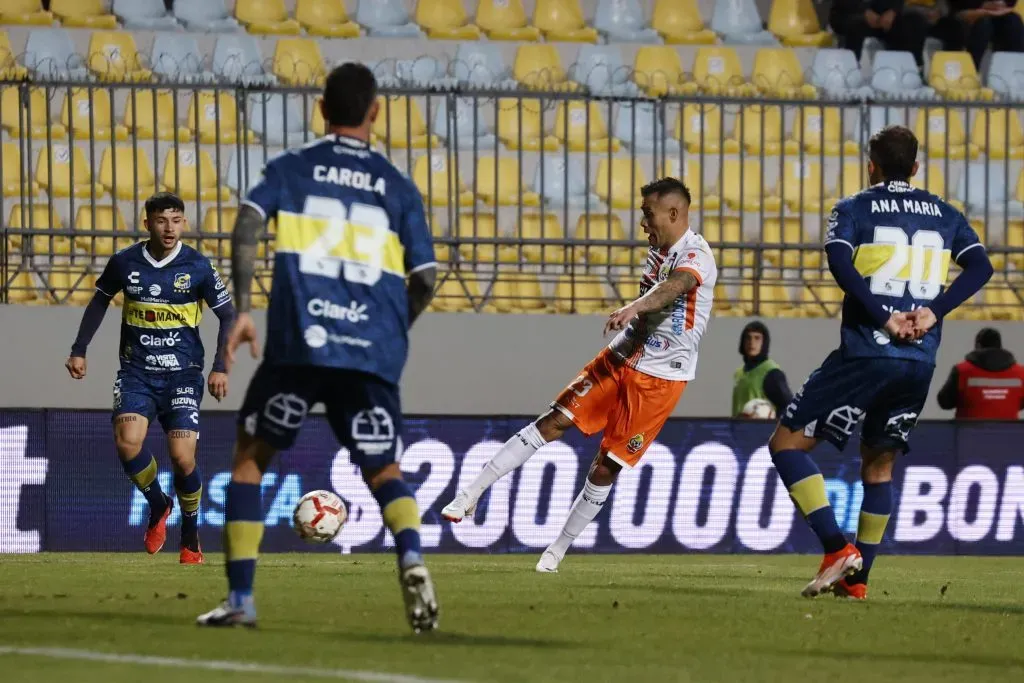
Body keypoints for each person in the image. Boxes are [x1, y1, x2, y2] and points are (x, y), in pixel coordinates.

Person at [196, 63, 438, 632]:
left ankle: (242, 599)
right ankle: (411, 557)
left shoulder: (292, 168)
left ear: (321, 108)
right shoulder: (399, 186)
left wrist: (246, 311)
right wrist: (392, 328)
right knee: (384, 470)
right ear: (375, 113)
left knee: (251, 460)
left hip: (298, 347)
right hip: (370, 353)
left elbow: (248, 224)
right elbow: (425, 276)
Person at [442, 178, 716, 573]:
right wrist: (634, 317)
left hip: (661, 378)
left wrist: (634, 307)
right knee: (554, 420)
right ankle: (469, 494)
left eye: (647, 214)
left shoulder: (697, 254)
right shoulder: (656, 251)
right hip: (622, 355)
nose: (642, 224)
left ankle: (556, 551)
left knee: (606, 466)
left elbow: (675, 288)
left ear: (673, 214)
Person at [769, 125, 993, 601]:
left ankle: (835, 548)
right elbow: (981, 266)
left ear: (871, 164)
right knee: (879, 465)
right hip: (918, 361)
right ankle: (858, 581)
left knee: (787, 445)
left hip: (868, 350)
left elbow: (839, 263)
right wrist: (934, 311)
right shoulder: (945, 213)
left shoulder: (853, 208)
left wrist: (885, 318)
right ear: (915, 167)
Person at [65, 192, 235, 564]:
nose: (169, 228)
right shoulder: (125, 263)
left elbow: (229, 315)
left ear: (185, 223)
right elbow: (98, 301)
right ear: (148, 224)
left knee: (182, 457)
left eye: (176, 220)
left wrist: (220, 366)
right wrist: (80, 348)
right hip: (137, 373)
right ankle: (159, 505)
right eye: (161, 220)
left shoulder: (199, 267)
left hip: (183, 376)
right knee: (128, 442)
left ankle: (190, 533)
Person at [937, 327, 1024, 419]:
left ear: (978, 346)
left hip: (968, 432)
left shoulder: (962, 371)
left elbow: (945, 402)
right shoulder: (1020, 373)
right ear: (1000, 347)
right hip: (1009, 432)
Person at [829, 0, 931, 65]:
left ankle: (912, 68)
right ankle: (850, 69)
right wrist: (864, 11)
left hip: (883, 16)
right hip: (850, 13)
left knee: (915, 21)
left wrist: (893, 11)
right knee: (856, 24)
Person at [938, 0, 1024, 70]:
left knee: (1014, 22)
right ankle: (971, 71)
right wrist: (982, 4)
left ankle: (1012, 73)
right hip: (967, 9)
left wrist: (1003, 3)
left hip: (996, 11)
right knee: (983, 25)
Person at [733, 321, 792, 418]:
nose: (752, 342)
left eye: (757, 338)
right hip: (739, 431)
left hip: (761, 430)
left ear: (764, 343)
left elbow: (788, 407)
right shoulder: (739, 373)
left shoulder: (772, 373)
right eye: (748, 338)